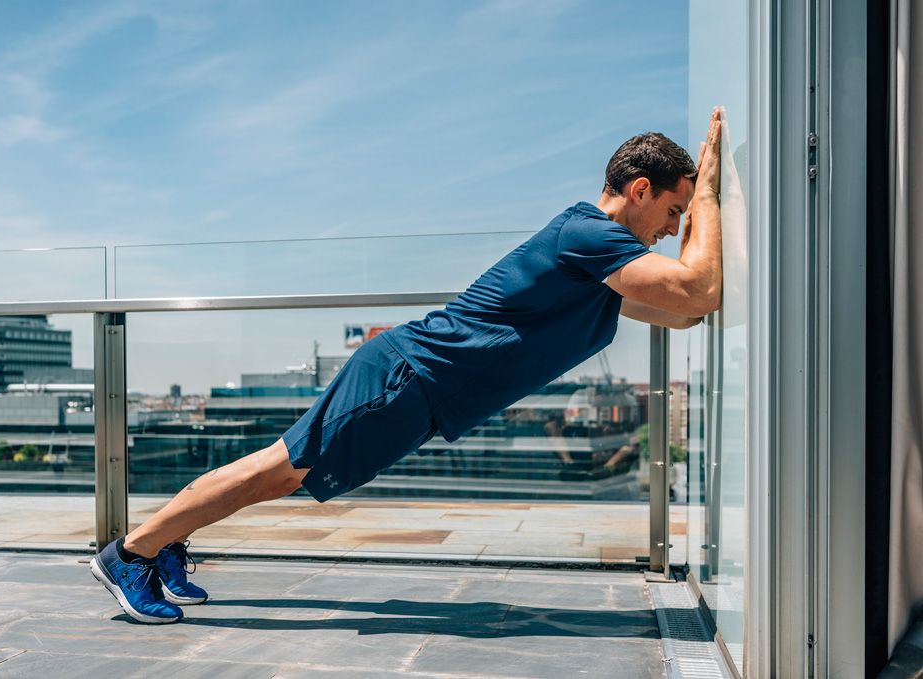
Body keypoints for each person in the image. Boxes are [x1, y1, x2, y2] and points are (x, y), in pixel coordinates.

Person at [91, 108, 724, 624]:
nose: (674, 230)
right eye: (674, 211)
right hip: (405, 378)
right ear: (640, 190)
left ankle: (161, 544)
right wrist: (714, 199)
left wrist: (699, 220)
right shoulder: (589, 236)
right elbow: (698, 290)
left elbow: (687, 312)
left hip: (415, 390)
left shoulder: (600, 266)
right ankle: (130, 554)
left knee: (281, 474)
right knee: (276, 473)